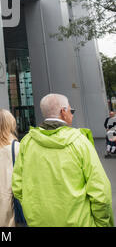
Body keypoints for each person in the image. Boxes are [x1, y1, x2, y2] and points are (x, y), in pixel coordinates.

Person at [12, 93, 114, 227]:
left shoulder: (27, 142)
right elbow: (100, 191)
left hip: (39, 221)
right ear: (63, 111)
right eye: (71, 110)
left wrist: (33, 212)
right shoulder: (79, 141)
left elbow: (17, 186)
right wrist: (102, 223)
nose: (72, 114)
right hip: (80, 222)